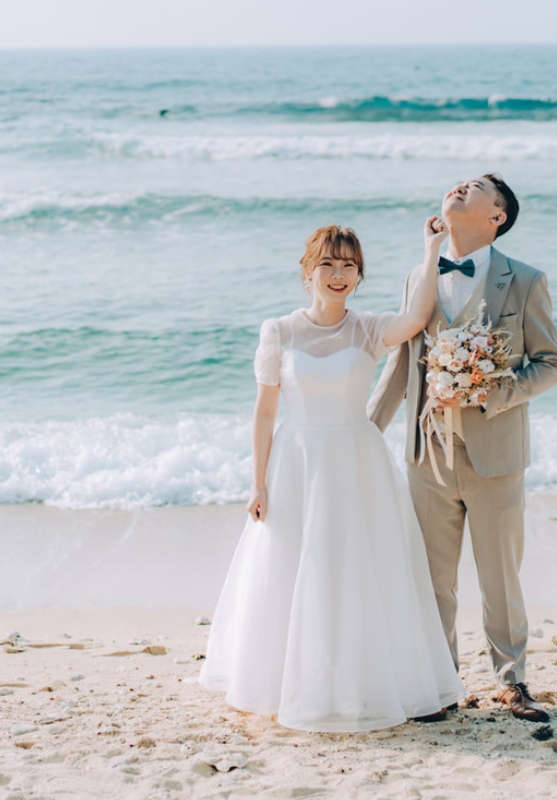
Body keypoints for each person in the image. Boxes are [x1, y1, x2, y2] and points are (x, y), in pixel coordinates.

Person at [199, 221, 466, 732]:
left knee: (363, 569)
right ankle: (292, 684)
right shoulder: (279, 330)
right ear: (308, 272)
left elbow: (417, 316)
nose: (338, 274)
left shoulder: (367, 329)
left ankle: (377, 683)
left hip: (356, 458)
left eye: (349, 266)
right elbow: (263, 414)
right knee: (297, 569)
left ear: (359, 276)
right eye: (328, 264)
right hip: (297, 461)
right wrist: (257, 483)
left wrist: (431, 249)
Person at [368, 174, 557, 722]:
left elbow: (551, 363)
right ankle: (440, 683)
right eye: (456, 183)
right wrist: (362, 430)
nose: (458, 187)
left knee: (500, 575)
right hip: (427, 454)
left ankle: (514, 681)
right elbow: (402, 362)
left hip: (495, 454)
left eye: (475, 187)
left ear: (496, 216)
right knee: (432, 579)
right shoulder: (419, 274)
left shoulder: (524, 280)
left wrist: (496, 391)